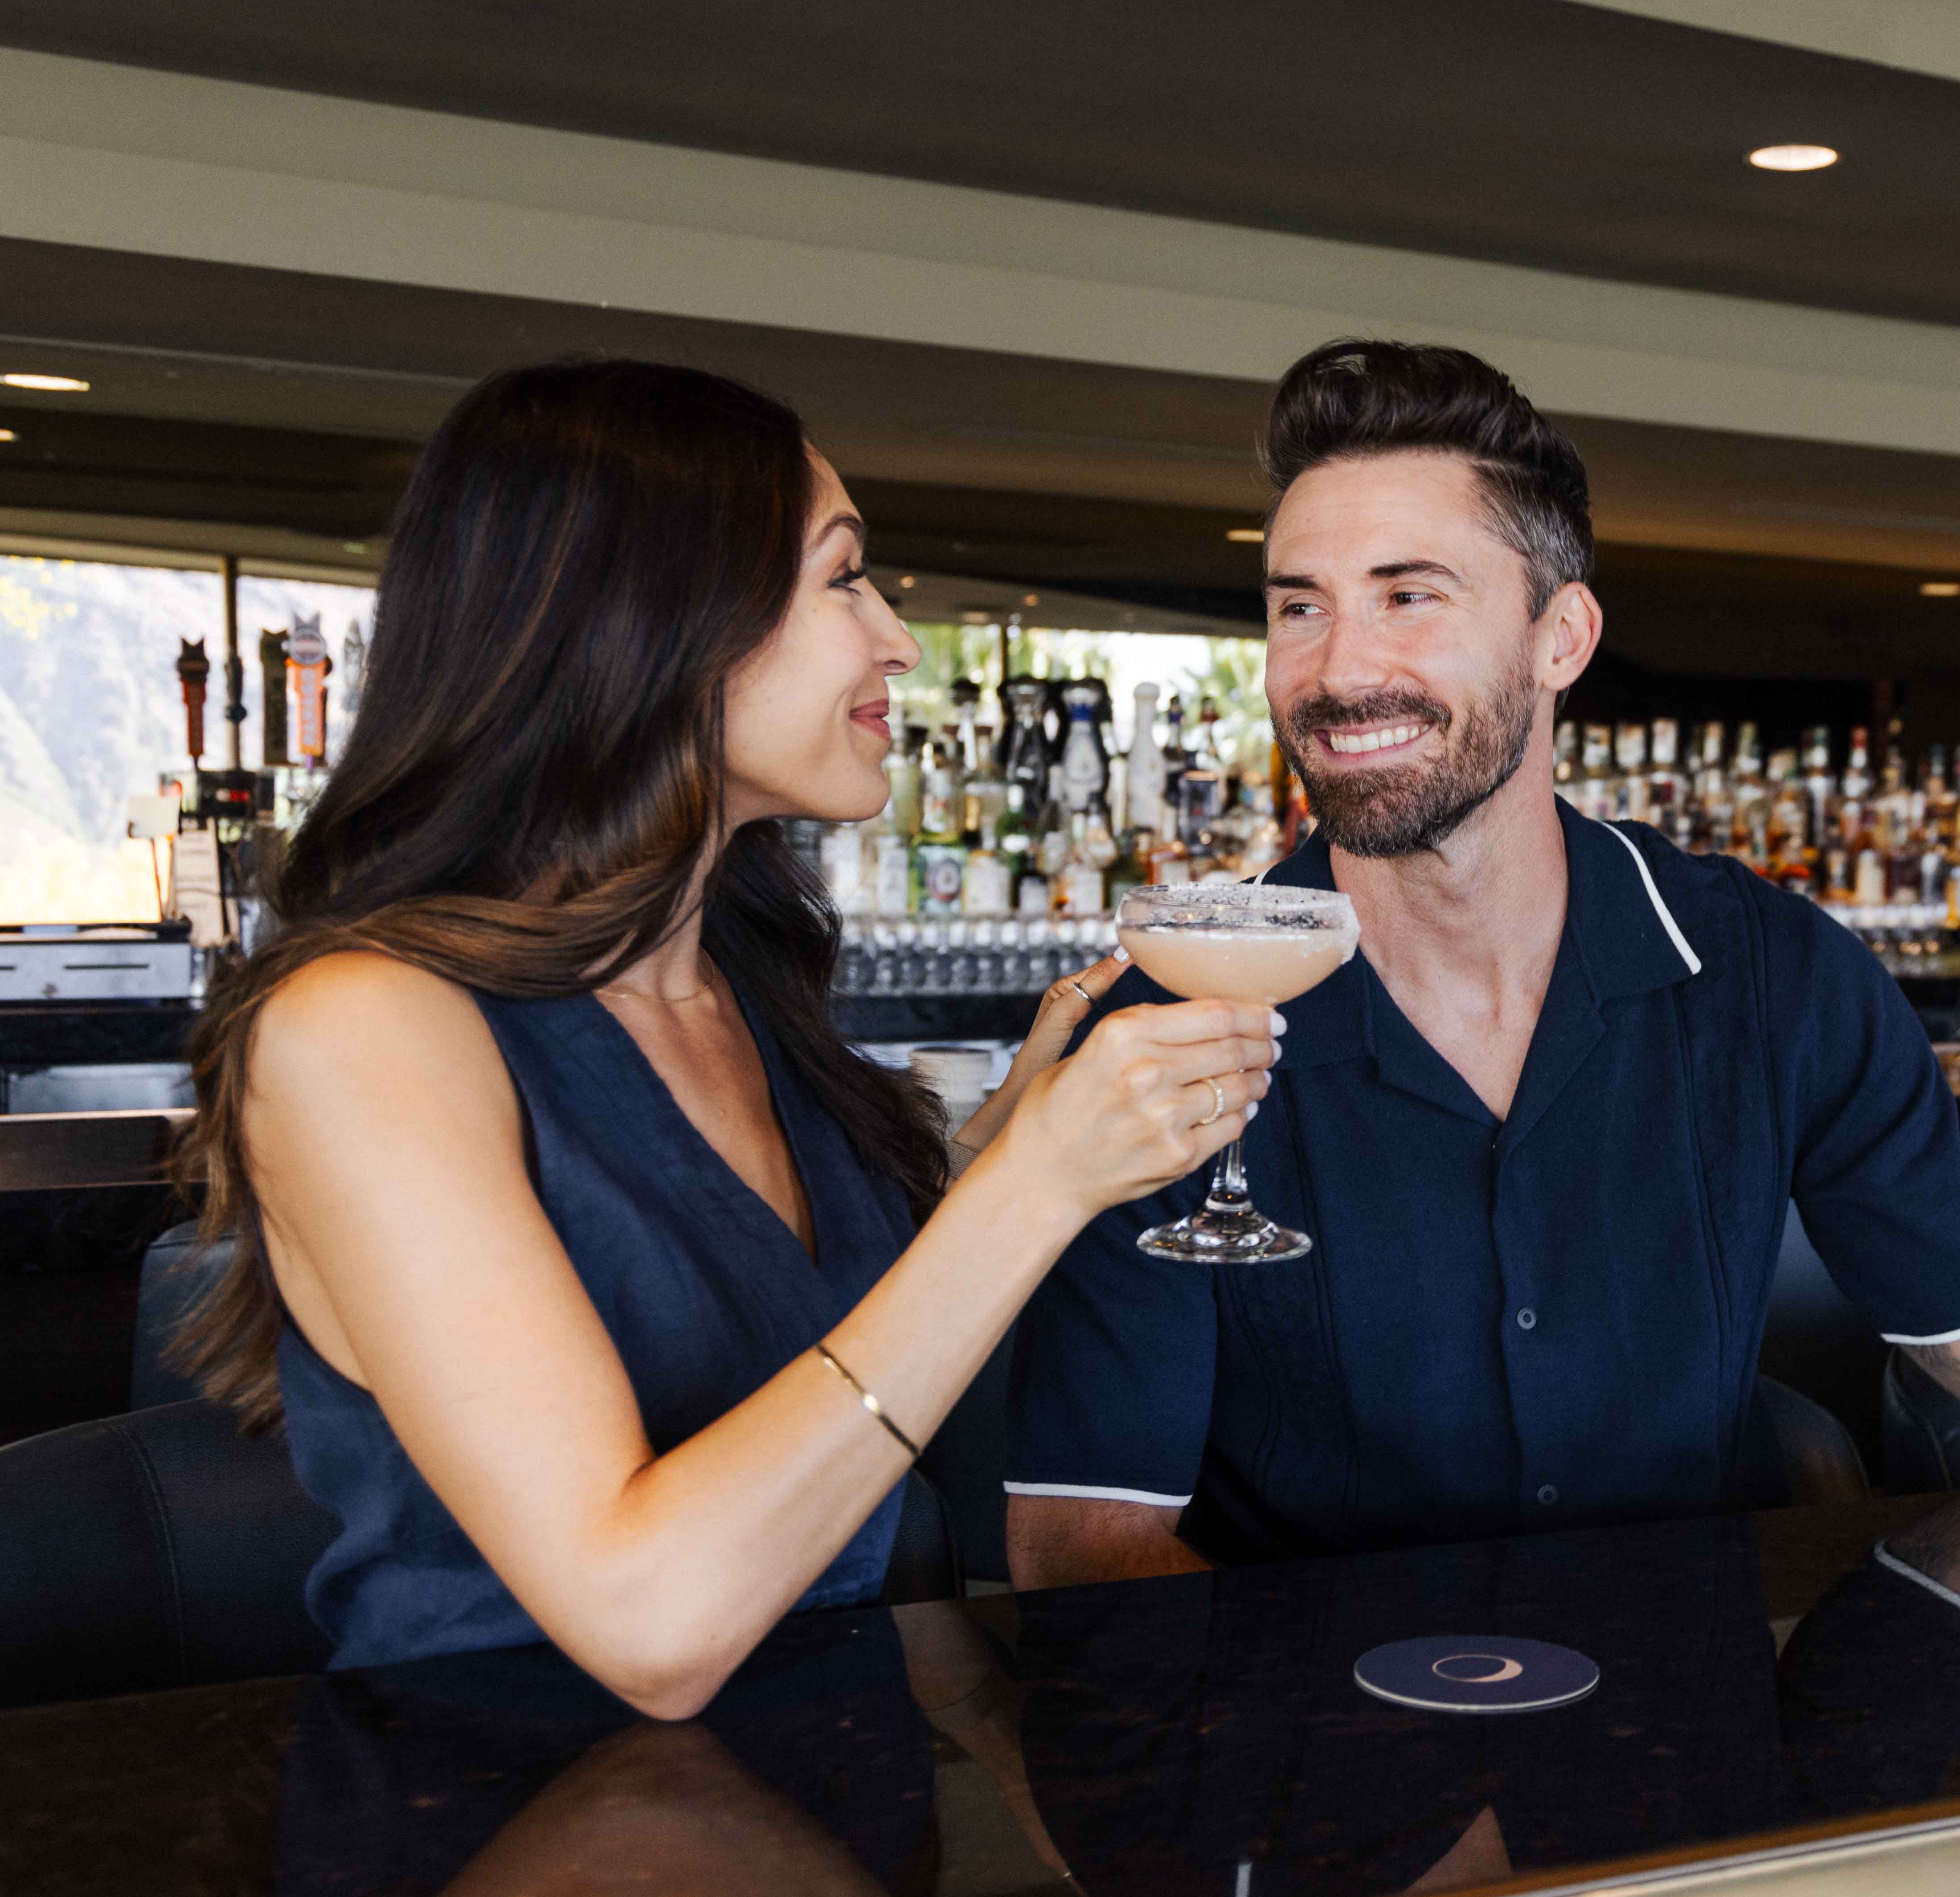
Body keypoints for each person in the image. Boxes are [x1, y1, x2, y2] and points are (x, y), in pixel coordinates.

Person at [1001, 339, 1960, 1629]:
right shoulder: (1165, 1031)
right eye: (1297, 602)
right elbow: (1080, 1543)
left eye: (1410, 593)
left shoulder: (1767, 972)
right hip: (1321, 1827)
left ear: (1560, 638)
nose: (1335, 669)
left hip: (1684, 1780)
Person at [170, 358, 1278, 1716]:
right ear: (655, 618)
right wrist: (1032, 1185)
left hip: (832, 1811)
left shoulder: (738, 993)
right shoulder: (364, 1028)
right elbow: (650, 1619)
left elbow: (794, 1350)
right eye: (842, 576)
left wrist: (990, 1158)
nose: (898, 642)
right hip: (508, 1841)